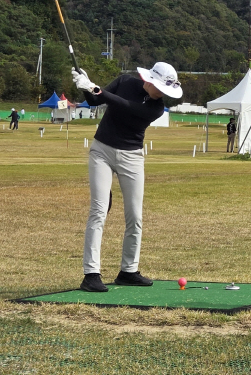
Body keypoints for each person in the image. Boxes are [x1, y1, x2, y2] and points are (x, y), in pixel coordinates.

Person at [72, 62, 182, 292]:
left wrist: (96, 89)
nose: (162, 93)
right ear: (150, 80)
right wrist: (85, 85)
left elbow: (128, 107)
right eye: (160, 87)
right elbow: (95, 101)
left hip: (132, 157)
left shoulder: (157, 108)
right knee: (98, 211)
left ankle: (128, 271)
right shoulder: (124, 82)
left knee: (135, 216)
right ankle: (91, 274)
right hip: (101, 151)